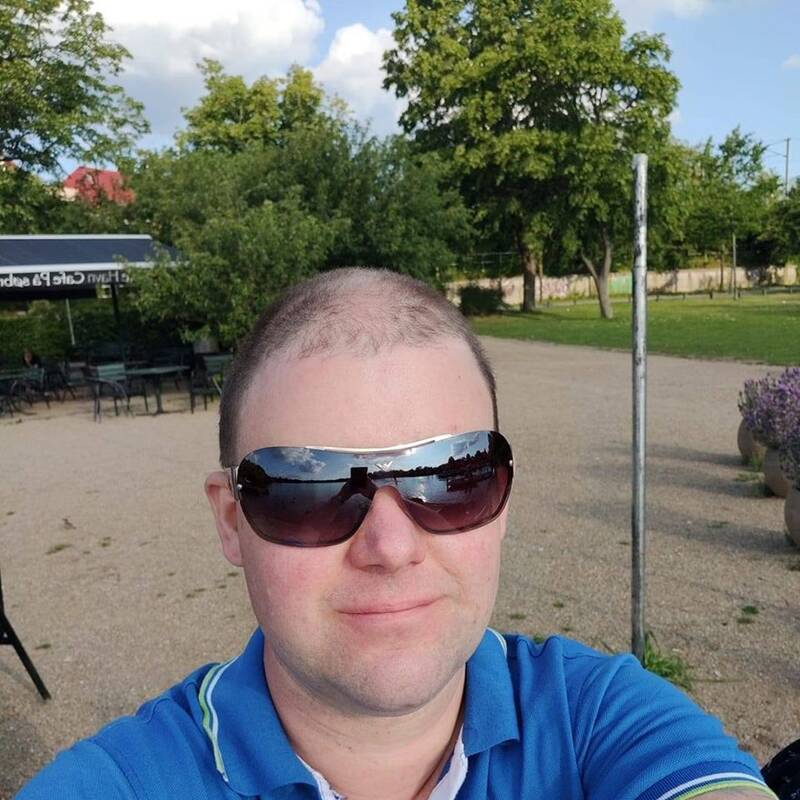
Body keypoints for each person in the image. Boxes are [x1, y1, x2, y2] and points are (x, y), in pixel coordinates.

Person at [18, 268, 776, 800]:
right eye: (308, 487)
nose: (390, 547)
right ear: (231, 520)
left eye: (453, 477)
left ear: (503, 500)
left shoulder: (601, 718)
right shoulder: (126, 782)